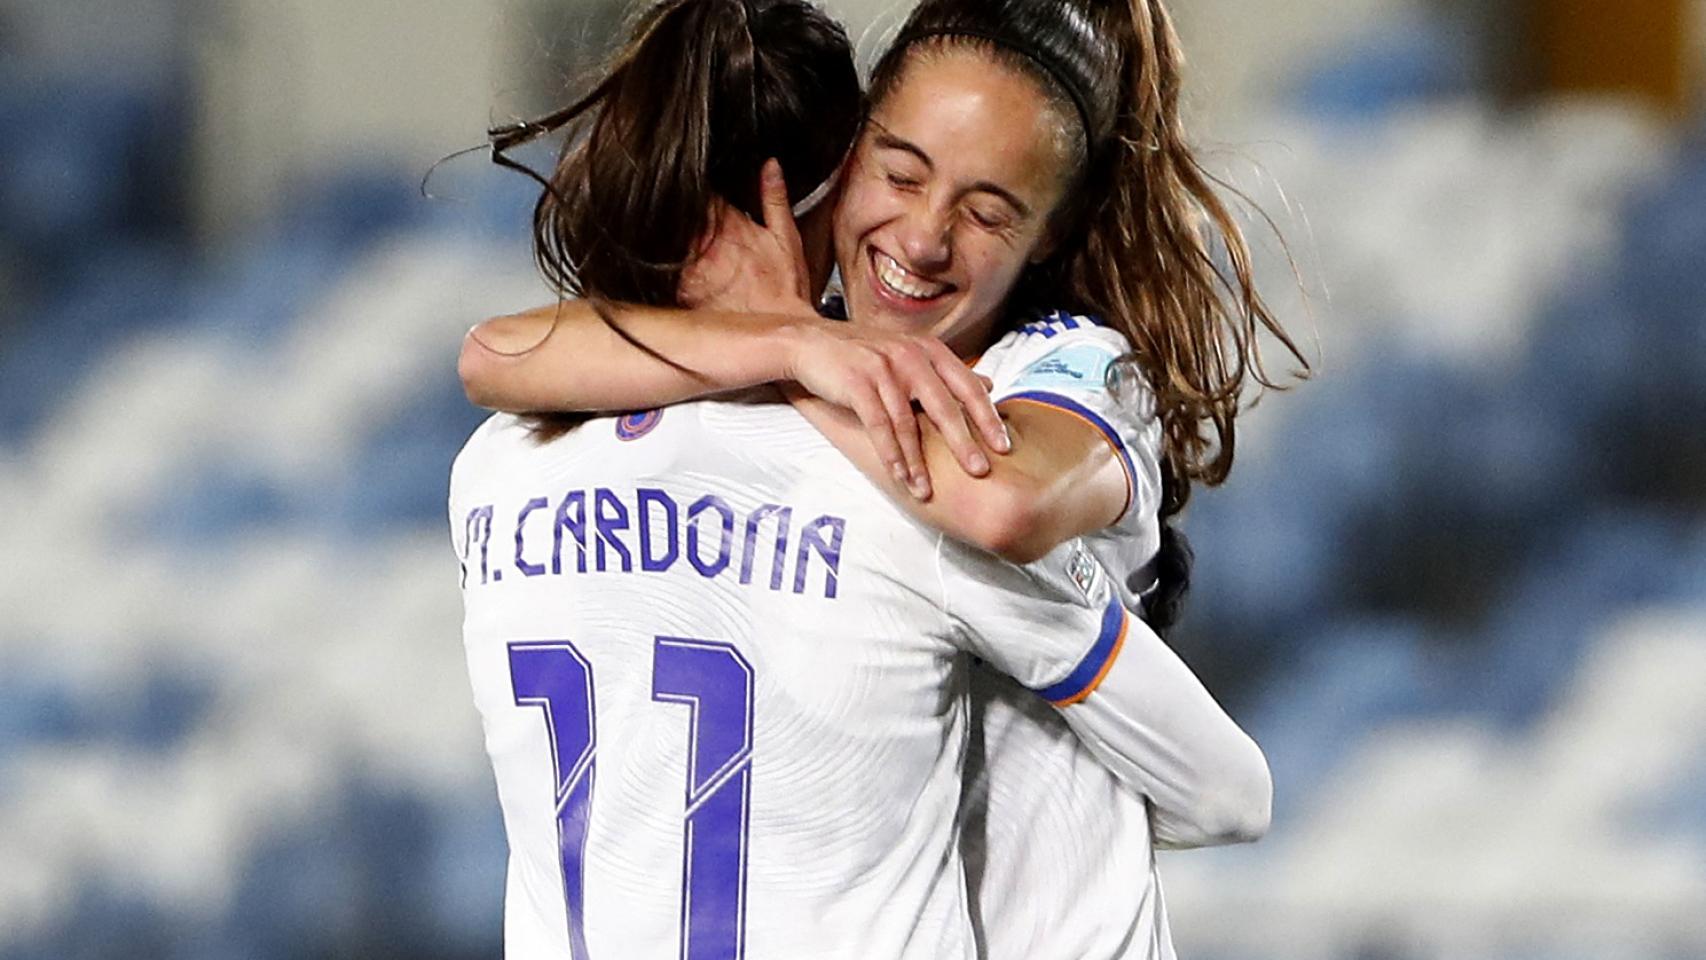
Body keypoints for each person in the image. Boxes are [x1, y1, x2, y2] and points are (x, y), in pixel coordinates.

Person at [455, 0, 1279, 956]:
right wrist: (795, 345)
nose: (925, 237)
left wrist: (797, 355)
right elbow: (493, 353)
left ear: (1053, 232)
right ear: (844, 167)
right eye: (898, 173)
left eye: (985, 211)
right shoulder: (844, 427)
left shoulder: (1065, 370)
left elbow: (1000, 500)